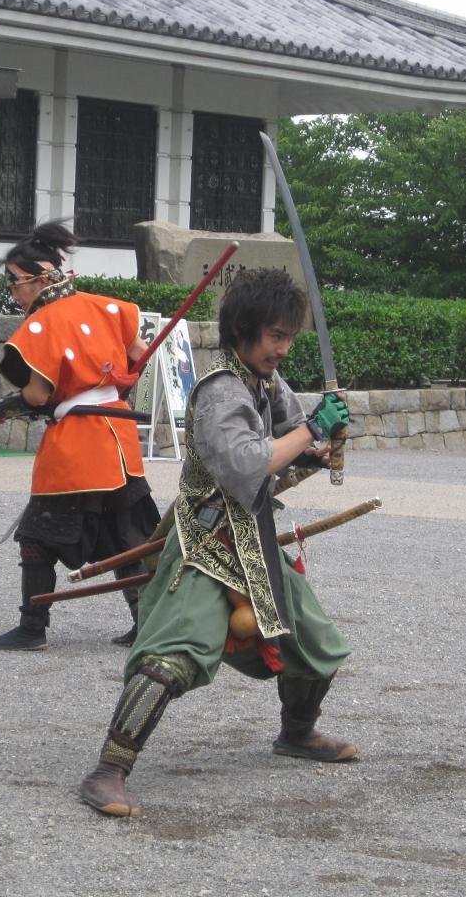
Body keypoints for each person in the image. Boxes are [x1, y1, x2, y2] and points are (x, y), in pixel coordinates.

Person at [77, 267, 355, 818]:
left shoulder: (266, 383)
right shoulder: (219, 390)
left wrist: (316, 449)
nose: (283, 348)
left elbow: (284, 448)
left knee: (317, 643)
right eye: (274, 335)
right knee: (171, 656)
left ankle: (297, 733)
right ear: (243, 330)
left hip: (254, 539)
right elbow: (247, 465)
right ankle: (108, 770)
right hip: (206, 543)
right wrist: (311, 432)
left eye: (288, 336)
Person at [0, 221, 160, 651]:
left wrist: (1, 409)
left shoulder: (43, 324)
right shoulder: (106, 307)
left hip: (78, 445)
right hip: (118, 439)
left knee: (37, 535)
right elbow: (140, 356)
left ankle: (32, 628)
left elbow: (38, 395)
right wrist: (117, 383)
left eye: (15, 283)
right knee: (127, 535)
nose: (14, 293)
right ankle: (147, 624)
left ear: (41, 278)